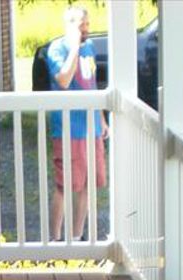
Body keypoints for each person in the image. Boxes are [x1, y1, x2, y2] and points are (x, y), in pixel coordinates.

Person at [46, 5, 108, 242]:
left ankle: (77, 236)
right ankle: (54, 241)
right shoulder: (57, 48)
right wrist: (73, 46)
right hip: (69, 129)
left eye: (88, 24)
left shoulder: (89, 48)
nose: (86, 30)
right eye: (82, 25)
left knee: (89, 185)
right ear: (70, 25)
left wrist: (101, 118)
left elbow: (91, 85)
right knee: (65, 186)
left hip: (91, 127)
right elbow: (63, 79)